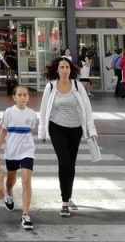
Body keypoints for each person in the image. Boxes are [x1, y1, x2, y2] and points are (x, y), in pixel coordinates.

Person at [38, 56, 98, 218]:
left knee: (70, 164)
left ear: (70, 70)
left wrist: (91, 129)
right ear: (56, 70)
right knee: (64, 161)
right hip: (56, 127)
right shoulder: (50, 87)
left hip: (75, 128)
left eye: (67, 67)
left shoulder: (78, 86)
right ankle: (65, 202)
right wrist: (42, 130)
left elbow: (87, 108)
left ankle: (68, 196)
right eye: (62, 67)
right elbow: (43, 111)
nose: (64, 70)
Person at [0, 85, 39, 231]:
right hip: (12, 151)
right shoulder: (9, 112)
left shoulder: (32, 114)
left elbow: (31, 129)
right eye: (19, 95)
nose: (22, 97)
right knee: (11, 180)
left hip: (27, 150)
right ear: (14, 97)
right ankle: (9, 193)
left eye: (25, 95)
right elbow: (3, 131)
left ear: (28, 97)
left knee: (26, 180)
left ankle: (25, 215)